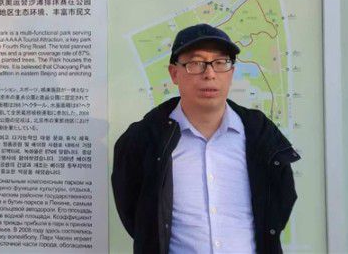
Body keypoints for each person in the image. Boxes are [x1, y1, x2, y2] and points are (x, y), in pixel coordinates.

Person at [112, 23, 300, 254]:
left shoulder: (261, 136)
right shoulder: (145, 140)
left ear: (231, 73)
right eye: (196, 63)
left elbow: (279, 204)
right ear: (174, 73)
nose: (210, 74)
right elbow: (137, 217)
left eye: (220, 63)